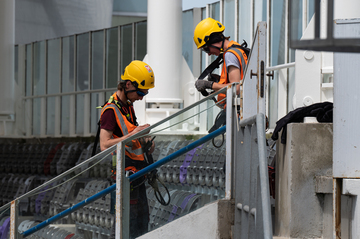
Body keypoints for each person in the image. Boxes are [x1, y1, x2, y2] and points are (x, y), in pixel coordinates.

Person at [100, 60, 155, 238]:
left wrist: (145, 141)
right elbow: (104, 145)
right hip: (124, 177)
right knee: (126, 225)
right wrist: (131, 137)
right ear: (128, 85)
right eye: (140, 92)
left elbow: (129, 134)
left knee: (141, 223)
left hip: (136, 175)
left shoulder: (128, 107)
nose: (141, 97)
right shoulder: (110, 110)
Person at [193, 17, 248, 108]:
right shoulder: (236, 48)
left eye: (207, 49)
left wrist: (209, 85)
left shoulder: (230, 55)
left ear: (213, 40)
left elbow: (236, 88)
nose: (209, 54)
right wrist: (218, 80)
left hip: (238, 112)